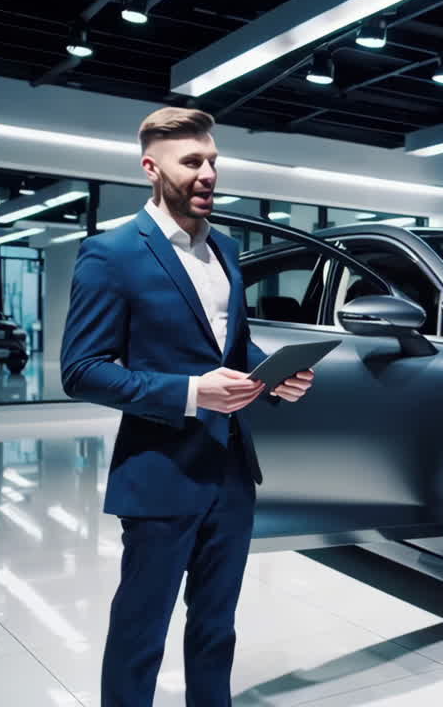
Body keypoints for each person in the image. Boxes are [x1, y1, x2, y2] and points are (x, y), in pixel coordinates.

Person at [60, 106, 313, 706]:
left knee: (216, 626)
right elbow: (82, 371)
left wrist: (273, 378)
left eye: (213, 162)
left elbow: (230, 343)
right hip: (159, 472)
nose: (208, 174)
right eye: (192, 161)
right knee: (140, 631)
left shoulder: (225, 249)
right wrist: (193, 392)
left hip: (231, 471)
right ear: (151, 167)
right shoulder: (111, 254)